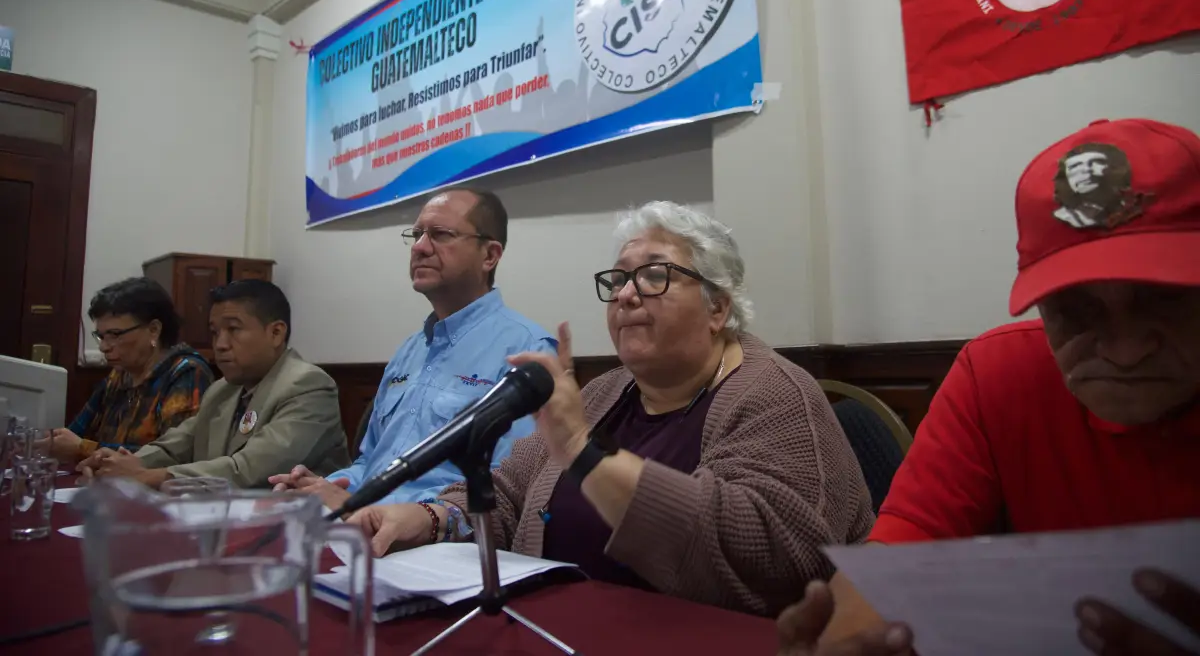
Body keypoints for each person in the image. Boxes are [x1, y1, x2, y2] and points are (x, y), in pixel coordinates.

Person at [778, 118, 1200, 655]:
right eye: (1076, 309)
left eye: (1164, 297)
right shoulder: (998, 373)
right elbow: (889, 572)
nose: (1124, 348)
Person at [348, 201, 875, 617]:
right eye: (619, 279)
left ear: (718, 307)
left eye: (654, 276)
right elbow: (508, 493)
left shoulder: (775, 394)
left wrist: (584, 450)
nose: (625, 295)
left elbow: (775, 561)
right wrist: (431, 517)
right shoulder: (606, 393)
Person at [268, 187, 555, 511]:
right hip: (363, 530)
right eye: (417, 234)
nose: (419, 247)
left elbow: (511, 487)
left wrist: (375, 510)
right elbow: (370, 466)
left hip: (442, 543)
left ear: (489, 255)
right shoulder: (409, 351)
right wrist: (323, 487)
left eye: (440, 234)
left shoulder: (528, 351)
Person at [78, 280, 349, 488]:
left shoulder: (308, 385)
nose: (219, 344)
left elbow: (248, 470)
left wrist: (145, 476)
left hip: (299, 527)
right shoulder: (224, 389)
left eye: (233, 329)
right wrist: (117, 463)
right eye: (215, 332)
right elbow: (175, 446)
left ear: (276, 333)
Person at [49, 277, 212, 464]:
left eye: (115, 335)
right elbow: (76, 431)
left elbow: (173, 457)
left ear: (153, 330)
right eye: (101, 336)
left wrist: (84, 448)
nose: (104, 347)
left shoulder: (186, 373)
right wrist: (52, 441)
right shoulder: (120, 374)